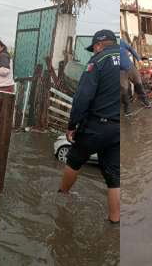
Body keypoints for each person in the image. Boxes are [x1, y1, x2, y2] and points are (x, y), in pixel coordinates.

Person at [58, 29, 120, 224]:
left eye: (93, 48)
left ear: (99, 45)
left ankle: (61, 196)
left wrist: (71, 125)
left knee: (74, 160)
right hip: (118, 128)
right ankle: (114, 221)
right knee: (113, 177)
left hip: (96, 125)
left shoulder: (98, 61)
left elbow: (82, 97)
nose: (93, 51)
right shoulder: (126, 59)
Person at [120, 38, 151, 116]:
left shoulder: (121, 42)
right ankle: (127, 108)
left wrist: (139, 59)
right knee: (124, 90)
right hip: (120, 72)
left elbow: (131, 49)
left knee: (139, 84)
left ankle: (144, 100)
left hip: (131, 68)